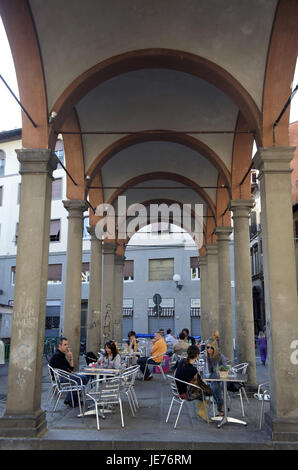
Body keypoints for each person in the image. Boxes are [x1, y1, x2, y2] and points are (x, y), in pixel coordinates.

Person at [49, 336, 89, 407]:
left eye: (67, 344)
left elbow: (71, 368)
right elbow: (67, 370)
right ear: (59, 345)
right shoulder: (57, 356)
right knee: (82, 378)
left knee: (85, 377)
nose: (67, 346)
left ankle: (72, 399)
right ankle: (71, 400)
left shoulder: (61, 355)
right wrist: (71, 372)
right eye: (65, 345)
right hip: (60, 377)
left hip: (64, 375)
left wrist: (71, 357)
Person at [175, 345, 211, 421]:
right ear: (197, 355)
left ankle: (202, 410)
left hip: (177, 390)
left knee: (202, 390)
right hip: (185, 394)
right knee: (207, 393)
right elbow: (199, 382)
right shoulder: (192, 369)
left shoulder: (182, 361)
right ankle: (202, 412)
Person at [203, 339, 227, 416]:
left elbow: (225, 368)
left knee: (214, 387)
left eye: (211, 348)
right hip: (213, 379)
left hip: (223, 379)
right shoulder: (207, 356)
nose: (209, 349)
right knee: (213, 386)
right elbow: (209, 371)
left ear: (215, 348)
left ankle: (221, 408)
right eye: (208, 347)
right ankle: (222, 408)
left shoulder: (220, 356)